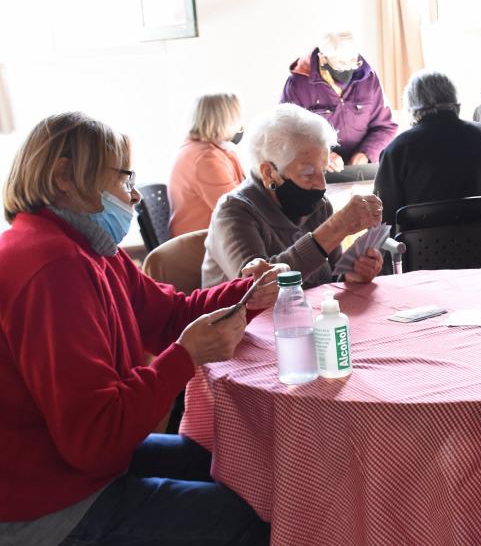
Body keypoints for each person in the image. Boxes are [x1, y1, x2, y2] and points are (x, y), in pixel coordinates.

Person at [0, 112, 285, 545]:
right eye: (123, 178)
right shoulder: (52, 267)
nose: (133, 196)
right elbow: (94, 438)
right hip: (46, 504)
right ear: (63, 178)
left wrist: (246, 294)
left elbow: (169, 315)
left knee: (232, 464)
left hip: (74, 465)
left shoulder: (88, 247)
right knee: (246, 521)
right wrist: (186, 357)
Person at [201, 103, 384, 289]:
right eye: (308, 174)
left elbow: (330, 279)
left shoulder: (319, 206)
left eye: (323, 170)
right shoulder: (233, 212)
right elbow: (256, 289)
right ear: (269, 172)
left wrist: (350, 275)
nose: (321, 185)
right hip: (245, 318)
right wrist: (335, 228)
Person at [373, 70, 481, 228]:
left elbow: (382, 219)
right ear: (454, 100)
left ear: (412, 107)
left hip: (422, 250)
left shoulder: (397, 150)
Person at [279, 30, 397, 172]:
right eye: (341, 63)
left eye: (353, 61)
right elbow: (286, 132)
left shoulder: (369, 79)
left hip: (362, 171)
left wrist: (367, 153)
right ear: (323, 59)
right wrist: (321, 154)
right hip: (316, 172)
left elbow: (386, 126)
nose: (349, 69)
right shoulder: (298, 84)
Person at [168, 92, 246, 237]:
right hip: (200, 243)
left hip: (209, 237)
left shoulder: (203, 149)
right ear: (227, 119)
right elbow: (238, 209)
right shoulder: (206, 159)